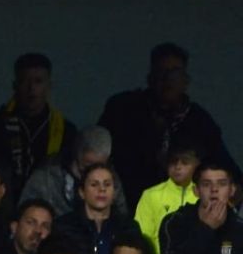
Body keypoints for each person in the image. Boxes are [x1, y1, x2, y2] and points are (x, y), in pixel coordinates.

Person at [97, 43, 234, 198]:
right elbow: (96, 157)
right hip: (127, 207)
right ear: (150, 78)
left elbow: (227, 170)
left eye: (174, 72)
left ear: (185, 81)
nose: (168, 79)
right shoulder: (123, 110)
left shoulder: (199, 122)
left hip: (183, 212)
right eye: (161, 72)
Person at [157, 160, 243, 254]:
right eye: (206, 184)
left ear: (232, 190)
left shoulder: (239, 229)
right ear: (196, 190)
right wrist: (206, 229)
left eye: (222, 184)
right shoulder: (175, 223)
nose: (214, 190)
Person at [0, 53, 72, 190]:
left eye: (38, 81)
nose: (31, 88)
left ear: (49, 86)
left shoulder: (66, 130)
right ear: (15, 85)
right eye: (25, 81)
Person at [55, 162, 141, 254]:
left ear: (114, 192)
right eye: (94, 184)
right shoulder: (64, 227)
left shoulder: (128, 228)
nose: (102, 189)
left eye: (107, 184)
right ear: (82, 192)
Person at [19, 124, 122, 221]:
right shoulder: (46, 177)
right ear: (77, 153)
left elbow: (121, 218)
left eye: (99, 166)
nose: (93, 172)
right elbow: (25, 218)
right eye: (88, 165)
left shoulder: (112, 181)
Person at [134, 144, 200, 254]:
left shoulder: (203, 195)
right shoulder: (151, 195)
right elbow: (143, 236)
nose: (178, 167)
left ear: (196, 165)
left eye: (185, 162)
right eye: (173, 162)